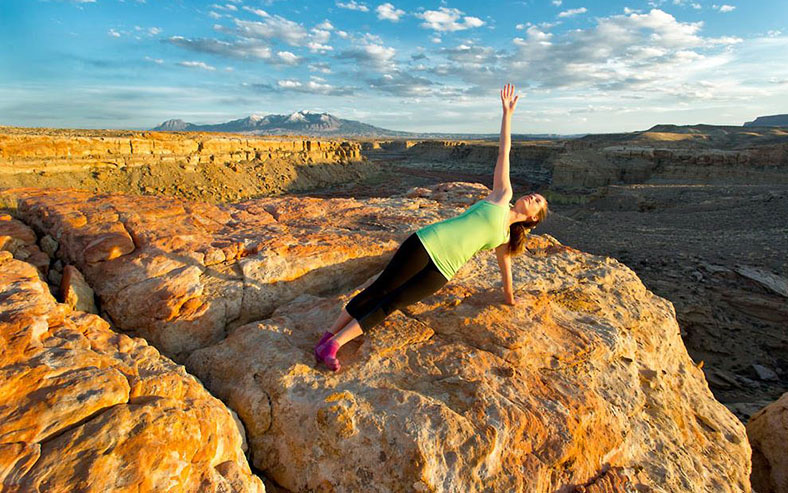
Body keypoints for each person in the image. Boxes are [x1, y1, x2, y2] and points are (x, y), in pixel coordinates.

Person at [314, 83, 549, 371]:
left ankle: (335, 343)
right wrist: (507, 114)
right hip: (427, 243)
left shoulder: (503, 238)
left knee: (392, 303)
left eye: (537, 201)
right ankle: (328, 338)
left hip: (442, 272)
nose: (531, 197)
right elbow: (505, 152)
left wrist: (511, 300)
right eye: (534, 194)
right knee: (380, 289)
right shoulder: (503, 196)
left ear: (533, 218)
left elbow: (506, 273)